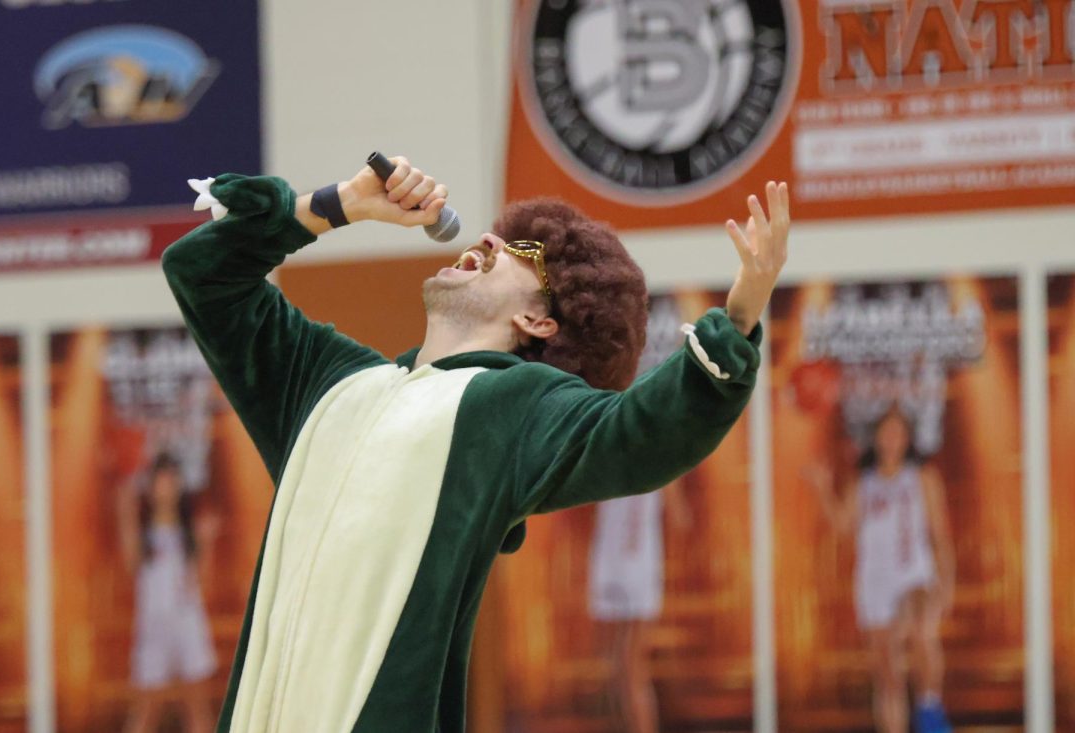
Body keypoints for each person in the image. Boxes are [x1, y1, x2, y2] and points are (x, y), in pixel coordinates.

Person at [162, 155, 789, 732]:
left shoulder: (511, 409)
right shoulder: (326, 384)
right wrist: (344, 203)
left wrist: (736, 322)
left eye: (523, 251)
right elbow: (203, 272)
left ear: (539, 322)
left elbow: (643, 434)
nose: (488, 239)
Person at [807, 407, 956, 733]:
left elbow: (940, 534)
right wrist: (822, 490)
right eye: (885, 434)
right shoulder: (865, 483)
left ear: (907, 440)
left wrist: (947, 582)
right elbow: (843, 526)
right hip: (875, 583)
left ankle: (930, 706)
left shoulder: (922, 478)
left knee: (920, 629)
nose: (891, 440)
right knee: (887, 675)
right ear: (875, 439)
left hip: (914, 573)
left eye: (897, 434)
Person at [117, 452, 220, 733]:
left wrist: (207, 543)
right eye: (160, 481)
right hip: (153, 626)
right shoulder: (144, 534)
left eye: (171, 481)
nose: (166, 488)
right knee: (146, 709)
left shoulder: (191, 532)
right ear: (150, 487)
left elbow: (202, 584)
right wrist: (124, 510)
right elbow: (130, 565)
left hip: (188, 622)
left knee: (197, 708)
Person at [588, 482, 690, 733]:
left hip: (635, 562)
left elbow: (680, 516)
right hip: (614, 559)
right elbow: (680, 517)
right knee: (618, 667)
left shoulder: (658, 457)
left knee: (630, 668)